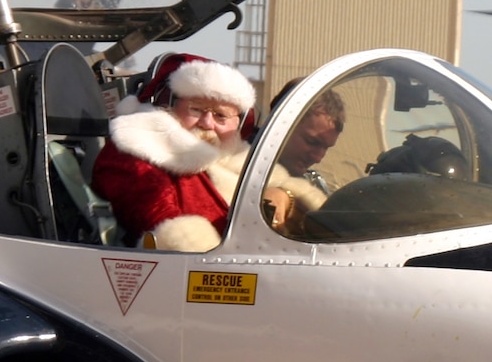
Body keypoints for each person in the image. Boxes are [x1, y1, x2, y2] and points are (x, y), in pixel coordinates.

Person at [90, 53, 257, 252]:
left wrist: (286, 196)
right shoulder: (135, 151)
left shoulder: (244, 162)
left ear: (238, 122)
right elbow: (163, 223)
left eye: (221, 116)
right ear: (169, 105)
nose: (207, 123)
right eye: (196, 109)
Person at [261, 89, 346, 234]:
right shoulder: (238, 172)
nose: (318, 158)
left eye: (326, 148)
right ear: (281, 127)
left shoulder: (314, 182)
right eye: (312, 142)